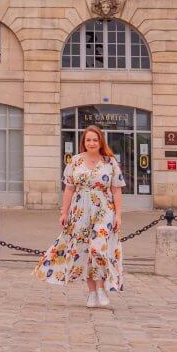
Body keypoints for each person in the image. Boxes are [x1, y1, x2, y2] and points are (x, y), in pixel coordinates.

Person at [34, 125, 124, 309]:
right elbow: (69, 188)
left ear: (100, 142)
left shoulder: (110, 162)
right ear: (84, 142)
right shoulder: (75, 161)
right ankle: (92, 292)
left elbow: (116, 189)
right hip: (80, 211)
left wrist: (118, 215)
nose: (92, 143)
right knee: (83, 251)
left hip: (104, 210)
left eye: (95, 140)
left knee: (99, 248)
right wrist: (64, 212)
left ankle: (101, 288)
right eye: (88, 140)